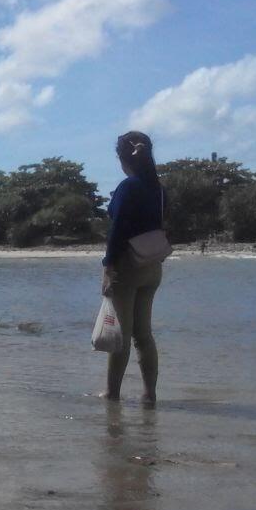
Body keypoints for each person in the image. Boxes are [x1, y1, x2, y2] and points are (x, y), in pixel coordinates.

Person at [101, 131, 165, 403]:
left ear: (122, 158)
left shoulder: (128, 186)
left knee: (121, 337)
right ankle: (149, 395)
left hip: (128, 265)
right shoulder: (158, 189)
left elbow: (118, 230)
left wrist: (108, 266)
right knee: (144, 335)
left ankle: (112, 394)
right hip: (152, 265)